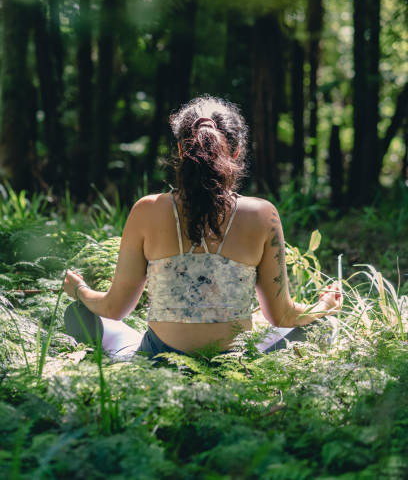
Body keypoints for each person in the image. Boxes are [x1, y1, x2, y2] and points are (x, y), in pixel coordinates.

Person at [64, 96, 342, 359]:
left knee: (78, 313)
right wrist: (326, 306)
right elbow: (283, 316)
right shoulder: (262, 215)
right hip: (232, 368)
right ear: (236, 151)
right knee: (324, 327)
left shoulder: (146, 210)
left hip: (159, 363)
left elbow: (114, 308)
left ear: (182, 151)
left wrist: (80, 290)